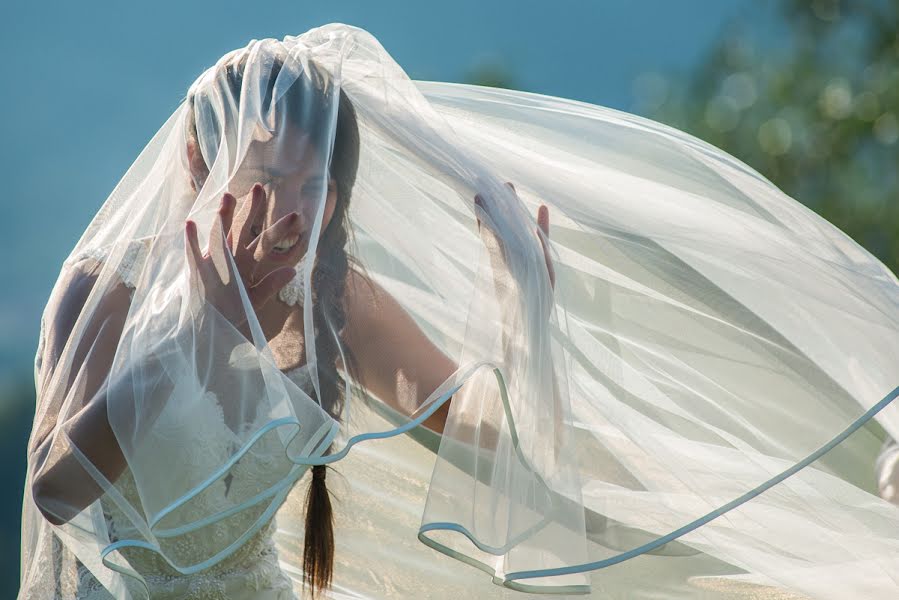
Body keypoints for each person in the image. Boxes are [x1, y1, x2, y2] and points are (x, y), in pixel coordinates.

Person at [20, 24, 899, 600]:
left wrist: (519, 319)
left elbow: (480, 441)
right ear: (196, 164)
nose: (285, 213)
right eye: (259, 179)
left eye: (310, 185)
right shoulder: (110, 291)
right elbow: (58, 491)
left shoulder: (337, 301)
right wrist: (193, 339)